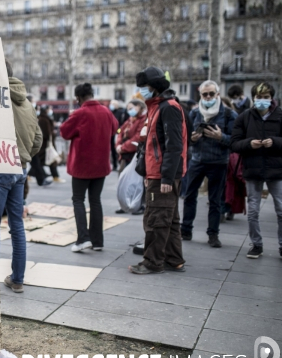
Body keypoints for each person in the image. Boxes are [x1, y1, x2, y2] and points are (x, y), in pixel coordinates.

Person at [128, 67, 187, 275]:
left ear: (153, 87)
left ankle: (153, 262)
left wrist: (165, 177)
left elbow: (174, 146)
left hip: (162, 173)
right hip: (158, 172)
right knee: (169, 218)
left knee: (156, 219)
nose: (140, 92)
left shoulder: (167, 107)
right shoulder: (160, 106)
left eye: (143, 87)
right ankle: (174, 258)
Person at [0, 60, 42, 293]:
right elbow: (38, 139)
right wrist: (24, 156)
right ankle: (18, 279)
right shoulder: (28, 104)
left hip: (1, 165)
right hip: (20, 168)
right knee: (17, 225)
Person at [61, 83, 118, 252]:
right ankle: (98, 241)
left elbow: (64, 132)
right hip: (101, 164)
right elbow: (115, 128)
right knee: (95, 201)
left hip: (82, 165)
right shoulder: (107, 111)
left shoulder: (80, 113)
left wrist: (71, 117)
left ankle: (83, 239)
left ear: (78, 98)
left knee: (78, 200)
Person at [181, 80, 237, 248]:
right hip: (197, 160)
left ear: (217, 95)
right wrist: (192, 138)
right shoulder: (194, 113)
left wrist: (222, 137)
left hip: (219, 162)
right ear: (200, 95)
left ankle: (213, 234)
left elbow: (235, 142)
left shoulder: (228, 114)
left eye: (211, 94)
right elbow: (185, 139)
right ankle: (186, 229)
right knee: (189, 196)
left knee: (215, 200)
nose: (208, 97)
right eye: (205, 94)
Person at [230, 82, 282, 259]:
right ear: (253, 98)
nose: (262, 100)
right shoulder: (245, 117)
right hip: (253, 168)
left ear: (271, 98)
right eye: (259, 97)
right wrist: (249, 144)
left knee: (281, 208)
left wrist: (275, 142)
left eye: (266, 97)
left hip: (277, 169)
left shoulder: (280, 115)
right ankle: (256, 244)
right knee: (253, 210)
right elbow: (235, 143)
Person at [37, 106, 65, 183]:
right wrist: (52, 135)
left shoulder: (45, 118)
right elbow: (47, 133)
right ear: (46, 110)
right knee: (49, 161)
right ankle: (55, 176)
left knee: (40, 162)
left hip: (46, 145)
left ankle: (53, 176)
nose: (51, 110)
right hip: (46, 145)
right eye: (49, 109)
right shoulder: (43, 120)